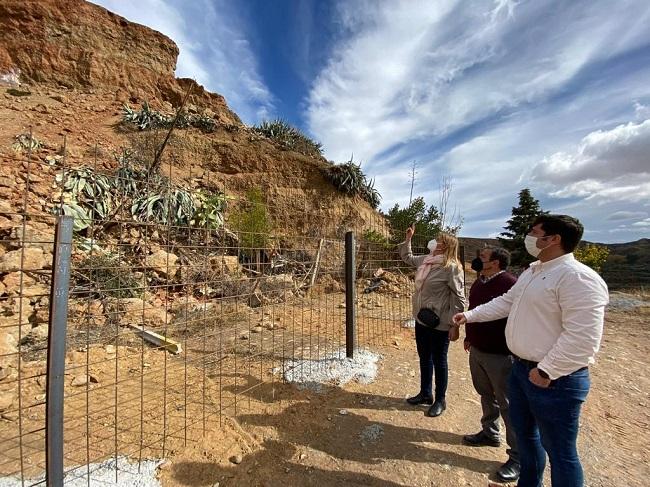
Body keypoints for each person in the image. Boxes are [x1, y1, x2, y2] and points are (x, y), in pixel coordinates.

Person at [453, 214, 609, 487]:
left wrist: (547, 370)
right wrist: (469, 316)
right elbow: (505, 303)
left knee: (561, 453)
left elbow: (583, 338)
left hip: (555, 380)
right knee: (527, 440)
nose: (530, 237)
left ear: (553, 239)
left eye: (535, 232)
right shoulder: (533, 272)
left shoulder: (579, 278)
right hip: (522, 371)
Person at [462, 247, 520, 482]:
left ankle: (518, 457)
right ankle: (490, 433)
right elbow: (473, 311)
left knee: (508, 404)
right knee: (486, 394)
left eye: (483, 258)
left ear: (495, 263)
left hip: (500, 354)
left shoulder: (510, 284)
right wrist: (469, 336)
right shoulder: (479, 282)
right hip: (478, 349)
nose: (477, 260)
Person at [399, 225, 466, 417]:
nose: (435, 242)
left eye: (440, 241)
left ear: (445, 247)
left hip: (440, 323)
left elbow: (460, 298)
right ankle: (425, 393)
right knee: (424, 357)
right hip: (422, 320)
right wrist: (408, 239)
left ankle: (440, 400)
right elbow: (407, 258)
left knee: (439, 360)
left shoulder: (451, 268)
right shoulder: (427, 261)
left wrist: (454, 325)